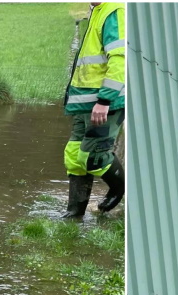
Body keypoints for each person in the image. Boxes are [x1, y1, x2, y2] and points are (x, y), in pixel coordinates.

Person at [61, 2, 126, 219]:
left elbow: (119, 59)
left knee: (93, 157)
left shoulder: (114, 11)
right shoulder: (96, 11)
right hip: (85, 102)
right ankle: (74, 214)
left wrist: (105, 100)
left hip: (104, 103)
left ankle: (119, 189)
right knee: (73, 156)